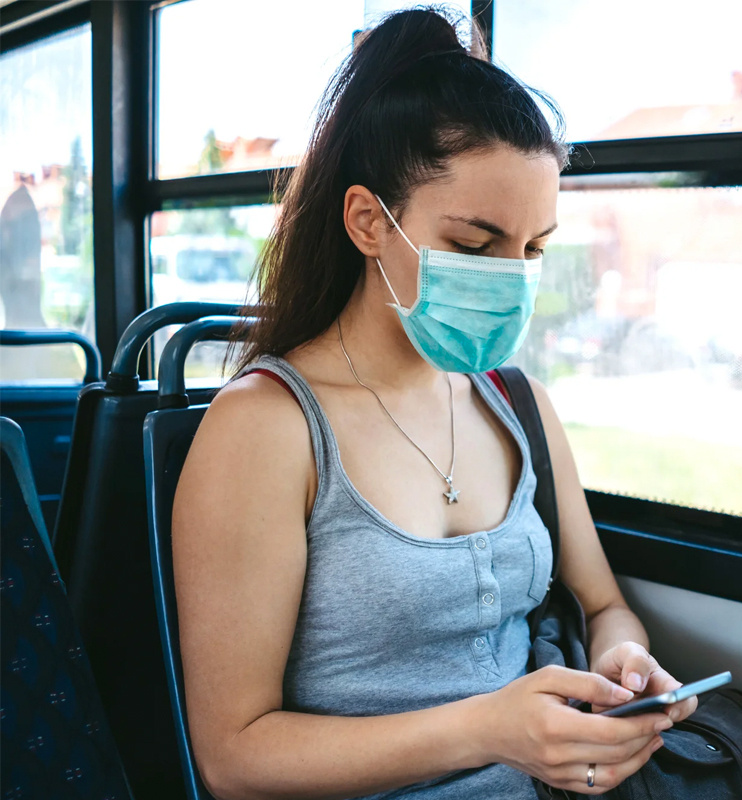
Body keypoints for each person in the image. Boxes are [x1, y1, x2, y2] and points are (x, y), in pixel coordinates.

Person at [172, 7, 695, 798]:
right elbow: (234, 758)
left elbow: (603, 603)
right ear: (368, 223)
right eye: (476, 246)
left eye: (534, 249)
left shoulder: (518, 406)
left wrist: (622, 661)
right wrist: (489, 729)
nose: (512, 277)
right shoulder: (266, 428)